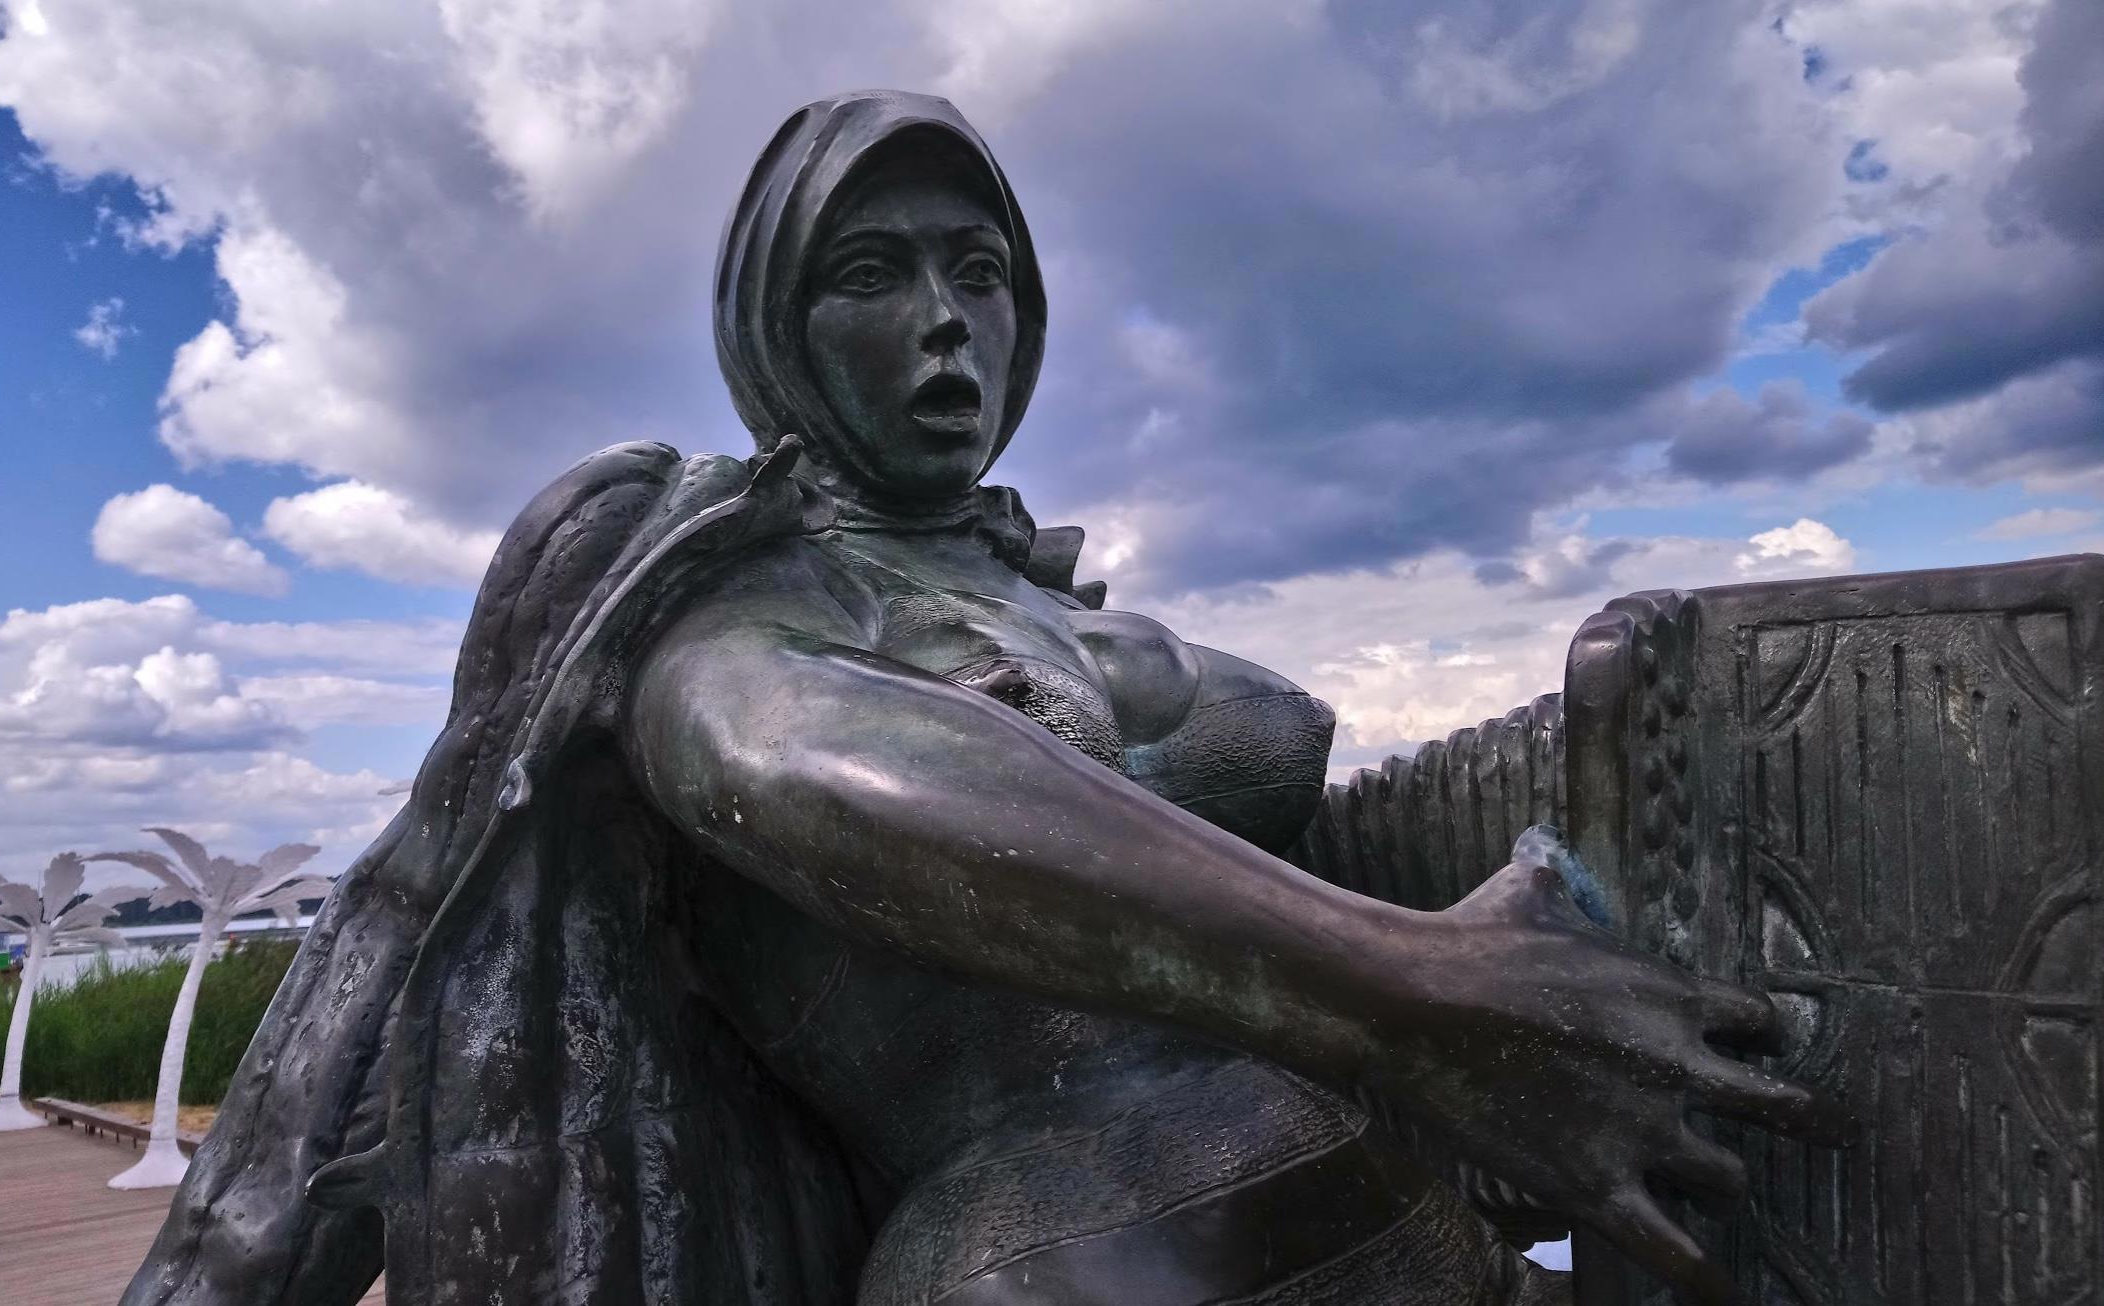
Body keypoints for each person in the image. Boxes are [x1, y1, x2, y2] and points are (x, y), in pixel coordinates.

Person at [128, 91, 1842, 1306]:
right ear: (771, 326)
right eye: (868, 275)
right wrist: (1416, 989)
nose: (944, 323)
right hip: (1058, 1265)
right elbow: (784, 753)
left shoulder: (1046, 592)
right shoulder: (721, 590)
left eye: (978, 269)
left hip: (1407, 1232)